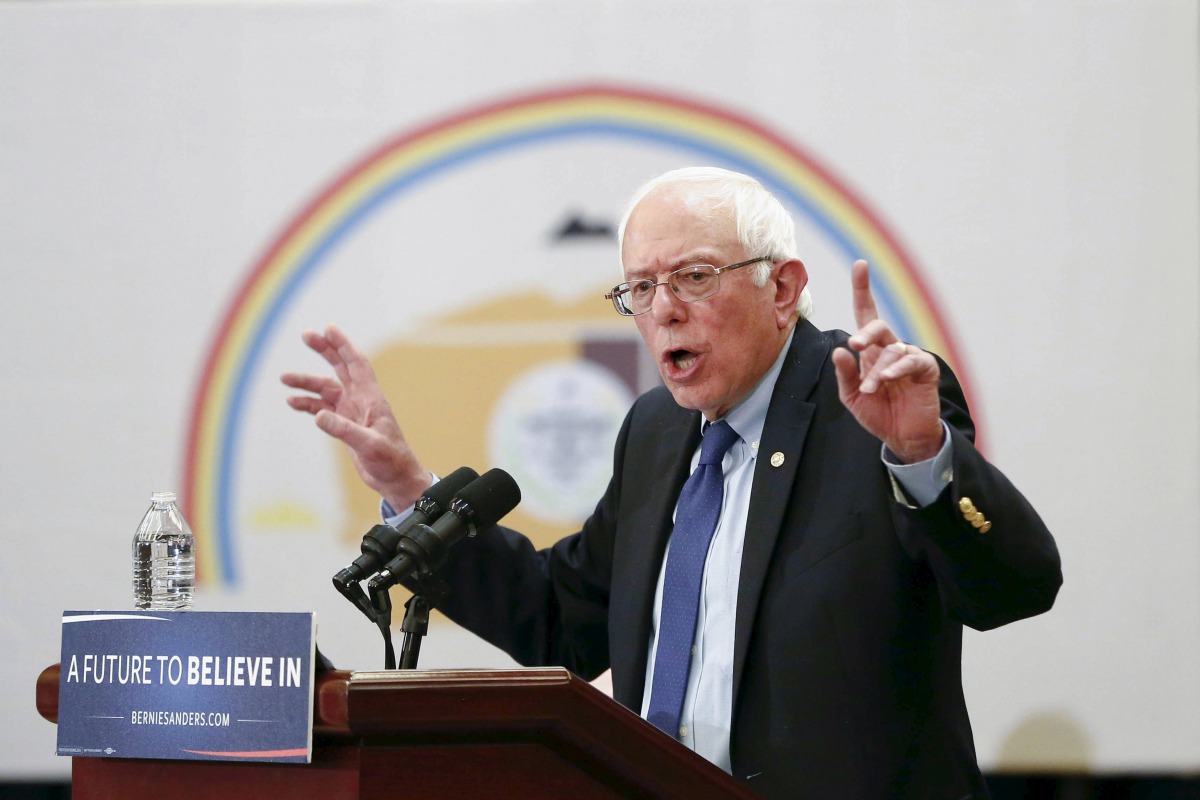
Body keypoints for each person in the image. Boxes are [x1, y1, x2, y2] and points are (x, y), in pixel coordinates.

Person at [282, 167, 1062, 799]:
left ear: (783, 289)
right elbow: (564, 619)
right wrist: (410, 485)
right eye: (641, 290)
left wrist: (924, 456)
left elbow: (1017, 586)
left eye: (692, 277)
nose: (664, 313)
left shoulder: (875, 411)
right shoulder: (656, 430)